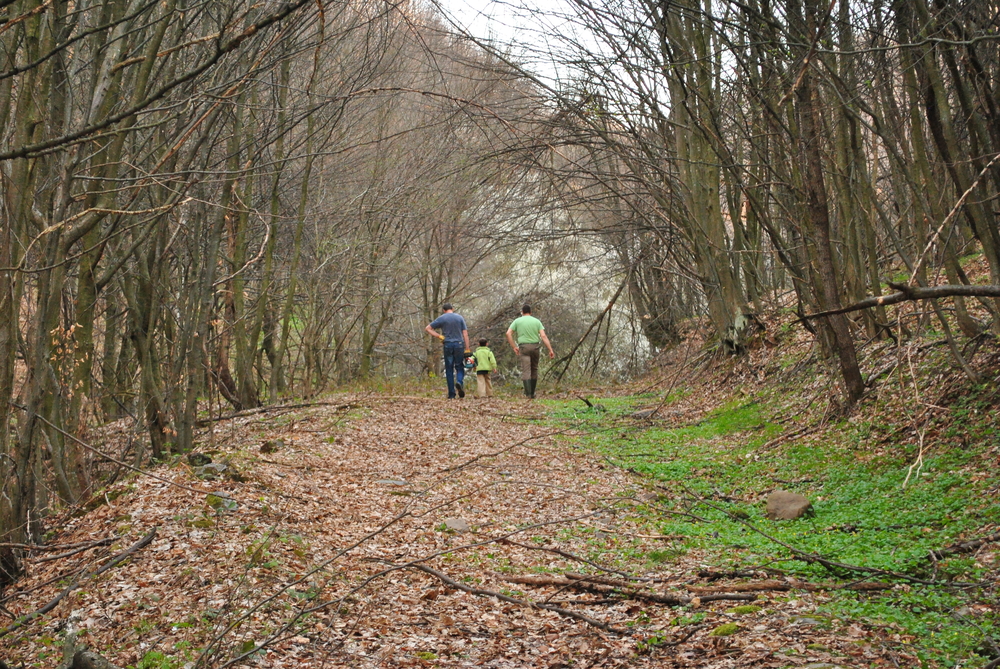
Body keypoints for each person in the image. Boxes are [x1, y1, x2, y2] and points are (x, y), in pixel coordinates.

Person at [505, 304, 554, 398]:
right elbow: (543, 336)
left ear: (522, 312)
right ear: (530, 312)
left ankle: (528, 394)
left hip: (524, 348)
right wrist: (550, 349)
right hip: (535, 347)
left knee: (526, 370)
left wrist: (514, 346)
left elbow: (508, 333)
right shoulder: (536, 321)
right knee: (534, 369)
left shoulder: (517, 321)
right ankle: (533, 392)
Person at [425, 303, 470, 399]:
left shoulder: (442, 318)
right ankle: (459, 381)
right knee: (459, 366)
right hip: (459, 344)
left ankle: (451, 394)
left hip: (448, 344)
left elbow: (428, 328)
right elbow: (465, 334)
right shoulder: (460, 318)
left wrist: (439, 336)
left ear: (443, 310)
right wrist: (467, 348)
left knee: (449, 369)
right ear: (452, 309)